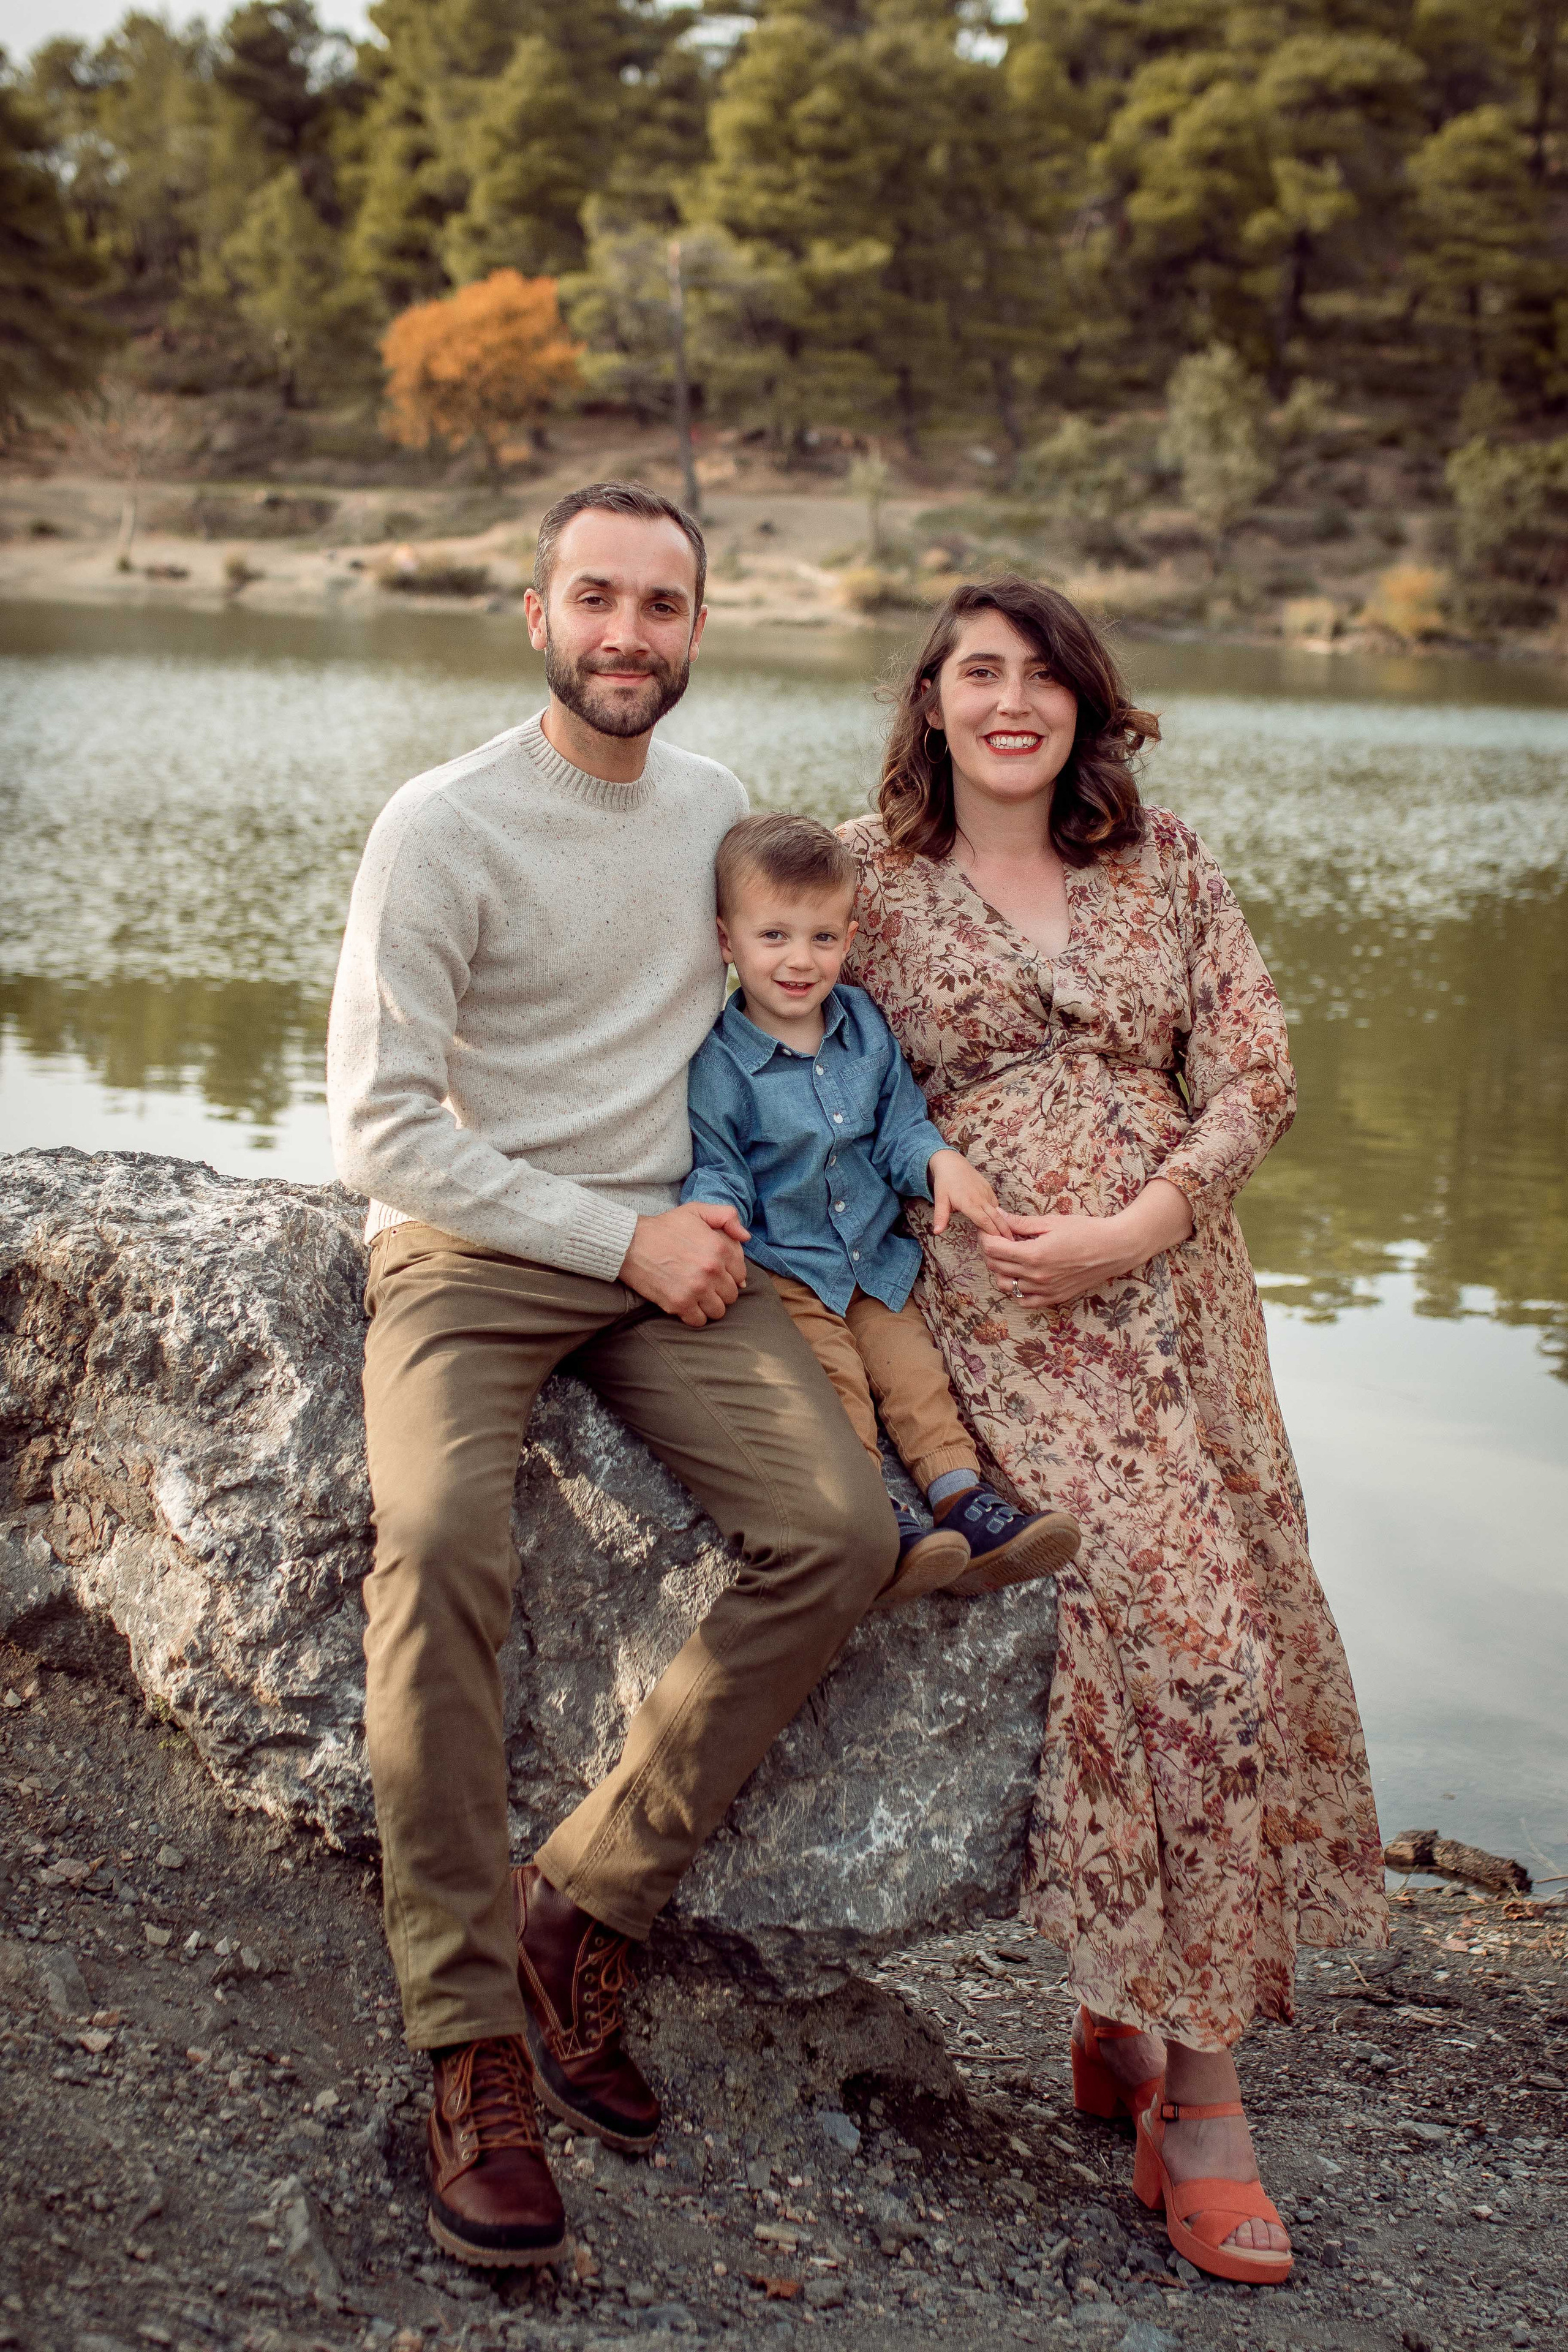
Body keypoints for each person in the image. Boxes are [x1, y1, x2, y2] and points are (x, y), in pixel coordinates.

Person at [326, 481, 902, 2272]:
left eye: (663, 604)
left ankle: (581, 1898)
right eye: (596, 598)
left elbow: (804, 1001)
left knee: (839, 1530)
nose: (628, 634)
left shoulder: (724, 817)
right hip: (477, 1253)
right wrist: (612, 1238)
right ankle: (470, 2040)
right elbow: (381, 1129)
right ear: (536, 613)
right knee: (435, 1543)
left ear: (699, 630)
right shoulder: (441, 826)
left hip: (676, 1256)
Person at [838, 577, 1388, 2286]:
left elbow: (1259, 1074)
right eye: (976, 674)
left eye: (1042, 676)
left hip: (1179, 1296)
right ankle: (1197, 2095)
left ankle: (1148, 2038)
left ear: (1085, 702)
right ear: (931, 701)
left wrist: (1145, 1220)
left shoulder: (1172, 863)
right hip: (994, 1313)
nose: (1011, 703)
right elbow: (802, 1061)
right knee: (1154, 1637)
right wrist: (929, 1163)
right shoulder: (862, 880)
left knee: (1228, 1633)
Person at [682, 809, 1082, 1602]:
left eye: (823, 938)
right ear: (727, 941)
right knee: (834, 1385)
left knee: (914, 1375)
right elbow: (716, 1166)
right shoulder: (719, 1063)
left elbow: (899, 1124)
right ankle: (877, 1520)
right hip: (788, 1269)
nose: (801, 960)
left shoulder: (863, 1026)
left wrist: (940, 1162)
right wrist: (714, 1215)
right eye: (775, 937)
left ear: (851, 935)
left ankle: (963, 1504)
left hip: (873, 1259)